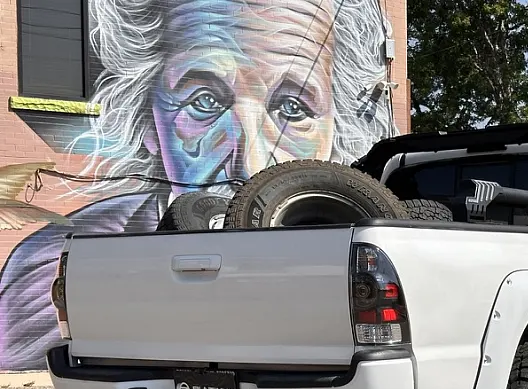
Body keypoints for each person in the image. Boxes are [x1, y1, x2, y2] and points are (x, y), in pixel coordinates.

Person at [0, 0, 397, 370]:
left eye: (293, 109)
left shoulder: (361, 255)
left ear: (335, 130)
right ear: (148, 120)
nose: (251, 162)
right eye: (204, 101)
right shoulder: (48, 268)